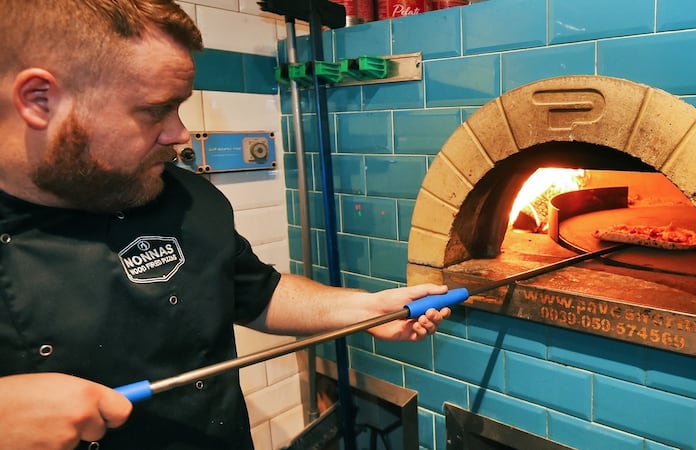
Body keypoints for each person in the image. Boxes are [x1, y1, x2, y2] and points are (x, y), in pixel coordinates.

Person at [0, 1, 451, 449]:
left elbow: (255, 292)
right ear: (40, 99)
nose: (179, 133)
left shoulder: (184, 196)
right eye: (155, 110)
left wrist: (365, 310)